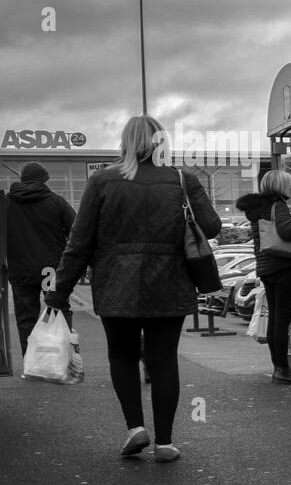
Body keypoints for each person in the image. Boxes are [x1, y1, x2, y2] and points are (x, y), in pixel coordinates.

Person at [44, 116, 221, 462]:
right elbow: (212, 227)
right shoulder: (182, 180)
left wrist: (58, 292)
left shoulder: (102, 181)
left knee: (122, 356)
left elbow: (78, 244)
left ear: (125, 142)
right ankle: (166, 443)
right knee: (164, 360)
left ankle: (135, 429)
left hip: (115, 284)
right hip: (170, 283)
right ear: (161, 142)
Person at [237, 170, 291, 385]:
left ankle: (279, 367)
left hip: (266, 267)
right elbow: (287, 231)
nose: (290, 188)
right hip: (283, 266)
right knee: (282, 319)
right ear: (279, 186)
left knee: (275, 318)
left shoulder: (258, 208)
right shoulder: (278, 205)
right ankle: (282, 369)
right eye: (287, 184)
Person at [5, 162, 75, 355]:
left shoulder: (7, 203)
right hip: (49, 271)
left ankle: (31, 361)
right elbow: (76, 231)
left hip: (20, 270)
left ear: (22, 179)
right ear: (45, 179)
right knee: (56, 309)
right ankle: (60, 358)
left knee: (26, 317)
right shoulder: (56, 202)